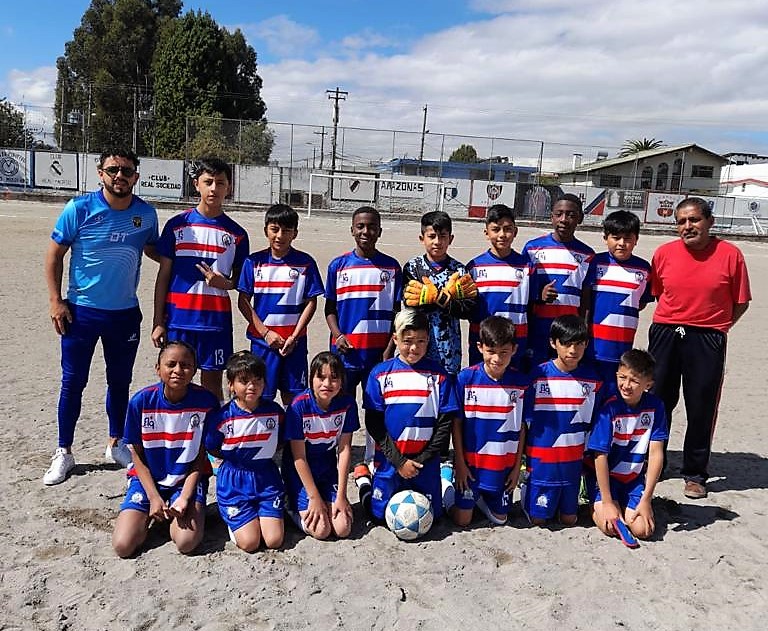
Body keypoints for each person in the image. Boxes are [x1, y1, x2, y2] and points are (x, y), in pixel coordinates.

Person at [44, 147, 159, 486]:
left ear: (136, 176)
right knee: (73, 382)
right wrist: (55, 301)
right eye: (113, 170)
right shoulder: (79, 208)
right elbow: (53, 256)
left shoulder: (146, 215)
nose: (119, 176)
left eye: (126, 171)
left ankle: (116, 443)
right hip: (81, 312)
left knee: (119, 382)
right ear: (101, 173)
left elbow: (153, 249)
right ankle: (64, 451)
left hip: (124, 314)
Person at [648, 197, 751, 499]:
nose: (687, 227)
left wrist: (716, 327)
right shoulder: (664, 253)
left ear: (709, 222)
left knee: (701, 405)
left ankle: (695, 473)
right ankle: (655, 460)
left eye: (693, 220)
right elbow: (658, 293)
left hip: (707, 337)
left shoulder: (731, 255)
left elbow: (741, 302)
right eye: (681, 221)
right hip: (667, 331)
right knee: (658, 400)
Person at [151, 158, 249, 402]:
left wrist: (223, 282)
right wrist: (158, 320)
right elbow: (164, 276)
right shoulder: (177, 225)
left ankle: (211, 438)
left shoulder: (237, 234)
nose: (214, 188)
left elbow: (239, 281)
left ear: (229, 188)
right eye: (208, 182)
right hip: (179, 321)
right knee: (174, 381)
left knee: (212, 385)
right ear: (197, 185)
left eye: (220, 183)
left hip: (214, 322)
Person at [111, 341, 218, 557]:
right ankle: (147, 518)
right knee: (123, 546)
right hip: (148, 480)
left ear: (195, 370)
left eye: (186, 365)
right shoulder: (141, 402)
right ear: (158, 368)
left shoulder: (206, 402)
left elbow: (200, 457)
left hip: (185, 480)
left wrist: (185, 497)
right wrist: (153, 497)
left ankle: (174, 515)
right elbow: (137, 455)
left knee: (186, 543)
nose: (178, 370)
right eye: (171, 364)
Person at [363, 309, 459, 521]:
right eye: (407, 341)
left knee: (432, 517)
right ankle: (364, 482)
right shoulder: (379, 374)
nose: (414, 348)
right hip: (390, 462)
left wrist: (419, 461)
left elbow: (445, 426)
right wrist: (399, 462)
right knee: (379, 516)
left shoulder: (439, 376)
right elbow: (374, 422)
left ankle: (444, 477)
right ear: (395, 339)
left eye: (421, 341)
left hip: (424, 464)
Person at [325, 206, 402, 468]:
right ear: (352, 229)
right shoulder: (338, 265)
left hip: (377, 354)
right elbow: (330, 308)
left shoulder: (391, 267)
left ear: (379, 231)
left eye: (371, 227)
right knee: (343, 403)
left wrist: (389, 347)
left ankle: (372, 456)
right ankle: (339, 451)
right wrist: (338, 336)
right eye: (360, 226)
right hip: (346, 353)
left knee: (374, 406)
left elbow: (396, 312)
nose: (365, 231)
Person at [237, 204, 324, 405]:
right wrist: (266, 333)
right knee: (261, 396)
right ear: (265, 229)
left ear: (295, 233)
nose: (280, 236)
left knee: (294, 397)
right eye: (275, 229)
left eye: (286, 230)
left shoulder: (305, 262)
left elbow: (311, 302)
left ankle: (290, 437)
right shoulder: (253, 262)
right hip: (263, 344)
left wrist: (294, 336)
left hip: (295, 344)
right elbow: (243, 301)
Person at [522, 315, 604, 527]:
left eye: (578, 344)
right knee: (539, 520)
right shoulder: (538, 375)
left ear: (586, 344)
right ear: (553, 343)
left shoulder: (593, 381)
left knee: (569, 520)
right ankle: (528, 492)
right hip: (542, 462)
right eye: (566, 344)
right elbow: (524, 420)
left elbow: (594, 423)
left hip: (572, 463)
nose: (572, 351)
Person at [448, 316, 529, 526]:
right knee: (462, 521)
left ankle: (482, 499)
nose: (497, 359)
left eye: (503, 352)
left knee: (501, 519)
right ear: (480, 347)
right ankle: (447, 477)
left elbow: (521, 427)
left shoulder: (521, 384)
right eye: (491, 351)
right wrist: (460, 463)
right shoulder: (465, 379)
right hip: (471, 468)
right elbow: (456, 423)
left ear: (514, 349)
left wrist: (516, 466)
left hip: (502, 468)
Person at [205, 351, 285, 551]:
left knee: (274, 541)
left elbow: (281, 441)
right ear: (231, 385)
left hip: (266, 477)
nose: (252, 386)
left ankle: (267, 513)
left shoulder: (275, 412)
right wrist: (234, 460)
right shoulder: (222, 417)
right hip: (234, 480)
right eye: (244, 381)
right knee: (250, 543)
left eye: (258, 380)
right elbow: (212, 446)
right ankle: (234, 523)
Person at [588, 349, 668, 540]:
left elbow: (656, 453)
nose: (626, 385)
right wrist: (607, 502)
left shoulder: (656, 407)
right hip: (606, 478)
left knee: (643, 530)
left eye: (634, 381)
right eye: (622, 377)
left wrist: (647, 499)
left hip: (632, 479)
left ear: (648, 384)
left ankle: (626, 504)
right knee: (611, 527)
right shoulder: (609, 407)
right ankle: (596, 502)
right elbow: (600, 456)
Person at [282, 352, 359, 540]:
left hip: (327, 468)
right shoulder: (298, 406)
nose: (327, 384)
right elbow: (298, 457)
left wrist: (341, 495)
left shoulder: (347, 404)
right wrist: (314, 497)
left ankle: (328, 498)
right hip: (299, 470)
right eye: (321, 377)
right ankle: (289, 505)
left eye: (334, 378)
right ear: (311, 379)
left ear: (341, 381)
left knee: (342, 529)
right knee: (322, 530)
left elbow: (344, 449)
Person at [402, 210, 477, 376]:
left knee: (445, 393)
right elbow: (409, 303)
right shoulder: (413, 267)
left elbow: (468, 309)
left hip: (449, 346)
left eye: (443, 236)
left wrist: (440, 299)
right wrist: (439, 298)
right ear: (422, 238)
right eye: (432, 236)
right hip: (418, 345)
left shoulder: (459, 270)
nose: (437, 242)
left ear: (451, 238)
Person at [522, 194, 594, 366]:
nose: (564, 219)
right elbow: (523, 290)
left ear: (580, 218)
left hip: (569, 333)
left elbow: (586, 299)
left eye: (571, 214)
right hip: (538, 328)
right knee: (536, 375)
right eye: (559, 214)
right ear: (551, 216)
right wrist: (539, 295)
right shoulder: (532, 248)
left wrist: (583, 329)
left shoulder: (588, 255)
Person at [581, 210, 652, 383]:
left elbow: (640, 303)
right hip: (593, 348)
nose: (621, 243)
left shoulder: (644, 269)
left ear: (636, 239)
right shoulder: (594, 263)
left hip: (622, 348)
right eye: (616, 237)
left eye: (627, 238)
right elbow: (585, 301)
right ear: (605, 237)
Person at [466, 204, 532, 370]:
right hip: (483, 343)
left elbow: (531, 307)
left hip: (516, 343)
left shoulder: (528, 267)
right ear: (486, 233)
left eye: (508, 229)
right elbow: (468, 308)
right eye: (496, 229)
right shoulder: (473, 267)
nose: (502, 235)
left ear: (515, 232)